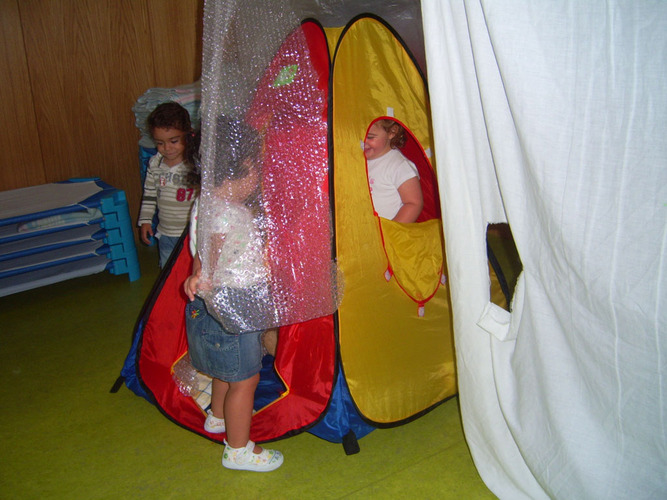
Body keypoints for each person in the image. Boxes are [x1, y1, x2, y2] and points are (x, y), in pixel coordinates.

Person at [183, 117, 283, 472]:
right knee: (245, 379)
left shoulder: (205, 203)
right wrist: (203, 276)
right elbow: (210, 253)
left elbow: (202, 252)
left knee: (227, 372)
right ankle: (238, 450)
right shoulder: (229, 215)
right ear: (239, 171)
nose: (257, 176)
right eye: (255, 168)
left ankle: (218, 417)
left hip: (221, 303)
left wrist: (199, 275)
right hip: (234, 303)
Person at [138, 102, 199, 267]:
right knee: (168, 271)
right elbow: (149, 194)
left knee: (193, 271)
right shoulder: (155, 163)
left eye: (173, 141)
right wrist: (145, 221)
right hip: (165, 233)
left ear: (187, 135)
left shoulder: (194, 164)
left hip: (192, 234)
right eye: (160, 143)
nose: (167, 148)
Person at [364, 119, 423, 223]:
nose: (363, 142)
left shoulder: (399, 165)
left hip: (387, 234)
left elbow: (414, 203)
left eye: (370, 137)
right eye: (358, 135)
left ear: (392, 132)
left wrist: (393, 232)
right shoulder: (358, 157)